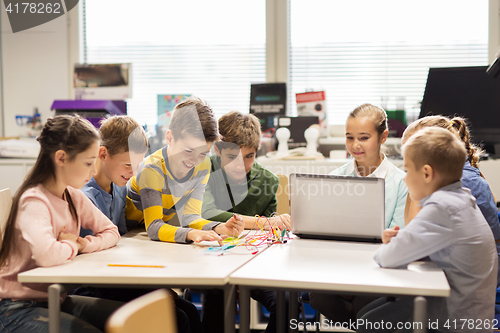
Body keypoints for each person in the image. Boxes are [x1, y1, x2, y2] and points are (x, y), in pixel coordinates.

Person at [357, 127, 497, 333]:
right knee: (367, 315)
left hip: (455, 321)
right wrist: (402, 239)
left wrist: (395, 244)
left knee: (368, 323)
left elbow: (385, 258)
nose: (404, 179)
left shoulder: (441, 207)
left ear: (426, 173)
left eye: (406, 170)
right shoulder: (461, 197)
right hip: (471, 312)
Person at [0, 115, 123, 333]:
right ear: (61, 158)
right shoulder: (34, 200)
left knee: (130, 319)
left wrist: (84, 244)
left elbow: (111, 231)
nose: (94, 171)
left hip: (54, 299)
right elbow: (46, 255)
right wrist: (73, 246)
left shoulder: (73, 196)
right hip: (15, 308)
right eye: (87, 163)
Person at [309, 103, 408, 323]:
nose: (355, 145)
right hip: (340, 266)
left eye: (364, 138)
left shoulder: (402, 182)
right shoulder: (336, 176)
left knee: (367, 306)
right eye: (349, 137)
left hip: (378, 270)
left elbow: (396, 238)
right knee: (318, 297)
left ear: (383, 137)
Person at [201, 111, 291, 333]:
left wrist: (273, 226)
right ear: (217, 150)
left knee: (287, 302)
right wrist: (266, 223)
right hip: (211, 261)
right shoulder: (203, 169)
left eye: (249, 156)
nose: (240, 165)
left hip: (255, 265)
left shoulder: (268, 180)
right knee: (216, 297)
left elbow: (270, 239)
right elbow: (208, 213)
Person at [126, 96, 244, 243]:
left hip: (145, 237)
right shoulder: (152, 169)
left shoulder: (203, 165)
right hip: (126, 234)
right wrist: (191, 234)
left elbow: (190, 217)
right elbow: (154, 227)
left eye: (202, 153)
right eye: (188, 151)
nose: (194, 161)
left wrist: (220, 227)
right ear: (169, 138)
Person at [401, 115, 500, 286]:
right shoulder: (455, 175)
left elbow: (414, 238)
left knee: (369, 311)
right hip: (459, 268)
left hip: (469, 279)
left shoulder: (459, 183)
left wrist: (415, 185)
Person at [80, 115, 148, 237]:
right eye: (128, 165)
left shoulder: (120, 188)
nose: (134, 173)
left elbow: (121, 233)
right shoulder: (84, 196)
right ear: (103, 154)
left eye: (138, 165)